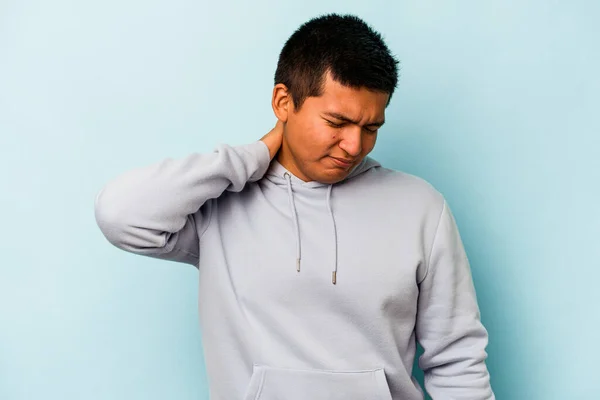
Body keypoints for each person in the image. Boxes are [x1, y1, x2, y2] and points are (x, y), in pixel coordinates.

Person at [94, 13, 494, 400]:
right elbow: (120, 213)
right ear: (284, 102)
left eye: (370, 128)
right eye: (337, 123)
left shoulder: (421, 208)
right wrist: (255, 155)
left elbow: (457, 360)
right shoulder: (220, 208)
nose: (354, 146)